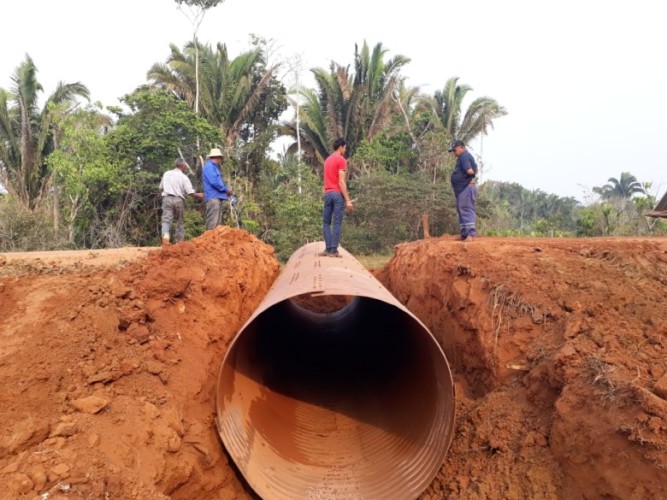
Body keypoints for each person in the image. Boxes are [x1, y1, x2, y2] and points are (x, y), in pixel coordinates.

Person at [320, 138, 354, 257]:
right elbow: (341, 181)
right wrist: (348, 200)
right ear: (340, 147)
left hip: (327, 194)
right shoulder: (341, 160)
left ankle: (328, 249)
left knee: (326, 222)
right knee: (337, 222)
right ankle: (333, 250)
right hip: (337, 194)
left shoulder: (327, 160)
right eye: (345, 148)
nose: (345, 150)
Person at [159, 158, 203, 246]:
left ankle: (166, 235)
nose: (186, 168)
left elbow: (160, 188)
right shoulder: (184, 177)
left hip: (167, 198)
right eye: (185, 166)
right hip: (178, 200)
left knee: (166, 220)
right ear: (182, 166)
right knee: (180, 221)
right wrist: (201, 195)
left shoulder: (166, 173)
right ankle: (179, 243)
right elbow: (190, 193)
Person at [449, 139, 478, 241]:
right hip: (462, 189)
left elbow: (470, 170)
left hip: (466, 187)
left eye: (455, 150)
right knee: (461, 209)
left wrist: (472, 174)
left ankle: (470, 233)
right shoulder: (462, 157)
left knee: (466, 209)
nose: (454, 152)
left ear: (461, 147)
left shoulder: (465, 156)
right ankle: (464, 233)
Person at [202, 148, 233, 230]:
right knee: (212, 224)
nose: (221, 159)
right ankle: (209, 238)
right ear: (217, 157)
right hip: (213, 197)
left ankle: (213, 237)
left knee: (217, 225)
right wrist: (226, 190)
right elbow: (214, 182)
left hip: (217, 197)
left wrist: (225, 190)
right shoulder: (209, 166)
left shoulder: (214, 167)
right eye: (220, 157)